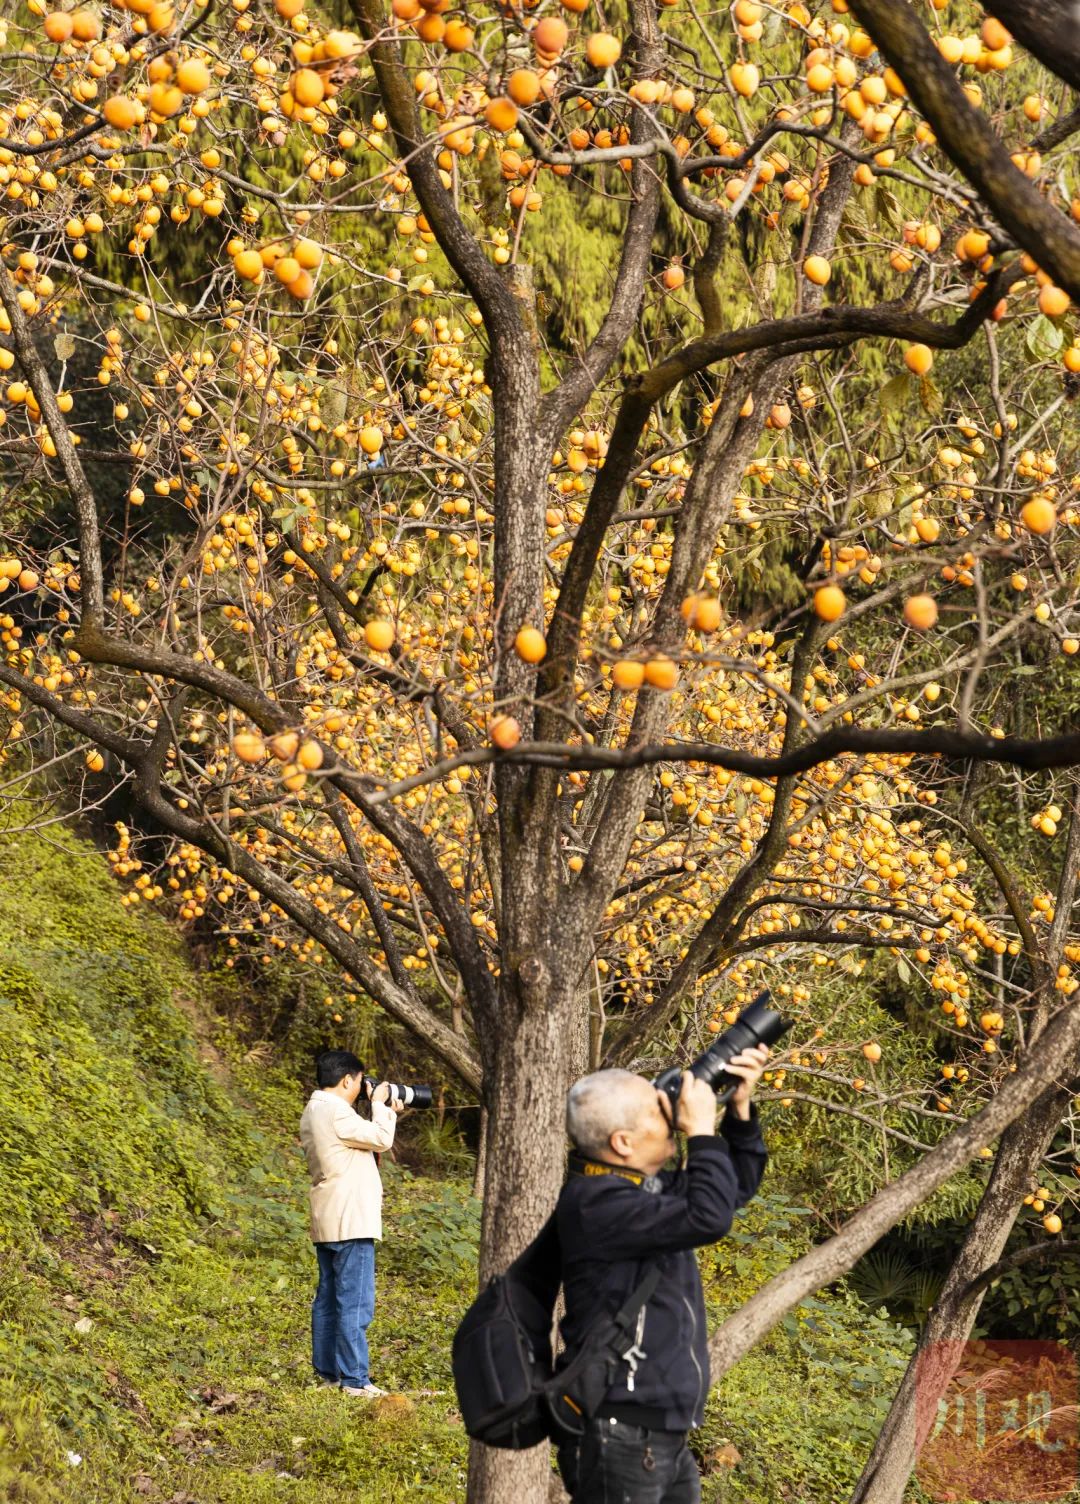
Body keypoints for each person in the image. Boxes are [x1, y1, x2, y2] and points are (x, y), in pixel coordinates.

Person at [554, 1046, 770, 1503]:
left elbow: (731, 1189)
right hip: (622, 1430)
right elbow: (710, 1217)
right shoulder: (597, 1204)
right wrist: (701, 1132)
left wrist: (740, 1109)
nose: (669, 1109)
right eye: (655, 1109)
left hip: (658, 1431)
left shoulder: (641, 1191)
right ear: (622, 1142)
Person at [298, 1049, 403, 1397]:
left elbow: (364, 1140)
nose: (362, 1088)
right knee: (355, 1300)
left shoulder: (315, 1110)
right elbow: (381, 1140)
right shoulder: (335, 1112)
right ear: (347, 1080)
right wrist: (381, 1107)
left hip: (329, 1217)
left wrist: (383, 1112)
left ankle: (330, 1375)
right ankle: (355, 1380)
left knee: (329, 1298)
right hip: (351, 1220)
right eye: (360, 1083)